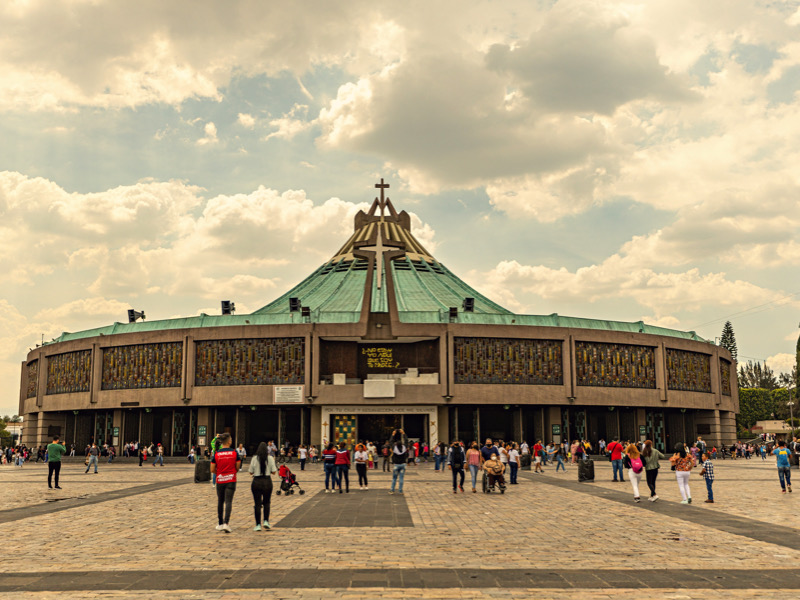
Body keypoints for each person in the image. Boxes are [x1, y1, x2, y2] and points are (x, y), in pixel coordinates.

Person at [210, 432, 241, 532]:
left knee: (220, 501)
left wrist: (219, 473)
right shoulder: (234, 453)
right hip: (231, 479)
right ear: (229, 441)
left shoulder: (217, 454)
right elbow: (237, 467)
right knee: (228, 501)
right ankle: (226, 523)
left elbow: (212, 469)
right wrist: (231, 472)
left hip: (220, 480)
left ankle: (220, 523)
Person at [249, 441, 277, 531]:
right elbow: (274, 472)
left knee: (257, 504)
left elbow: (250, 472)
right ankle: (266, 521)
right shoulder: (270, 458)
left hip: (256, 481)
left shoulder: (254, 458)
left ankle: (257, 525)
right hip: (267, 481)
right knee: (267, 502)